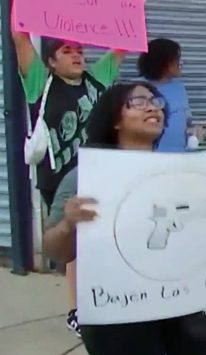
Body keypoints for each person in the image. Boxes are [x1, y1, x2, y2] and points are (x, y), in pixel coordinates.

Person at [41, 82, 206, 355]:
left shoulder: (183, 172)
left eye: (156, 100)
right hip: (120, 308)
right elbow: (56, 250)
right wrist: (69, 223)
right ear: (114, 119)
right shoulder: (85, 176)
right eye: (138, 101)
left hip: (182, 298)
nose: (153, 107)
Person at [11, 30, 125, 337]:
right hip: (60, 183)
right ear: (50, 61)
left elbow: (122, 42)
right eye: (66, 51)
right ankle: (78, 310)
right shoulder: (40, 82)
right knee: (76, 246)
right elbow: (20, 38)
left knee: (104, 243)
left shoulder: (96, 78)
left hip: (101, 175)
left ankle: (103, 301)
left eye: (79, 50)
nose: (77, 55)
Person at [138, 38, 202, 152]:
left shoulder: (179, 88)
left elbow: (187, 122)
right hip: (150, 160)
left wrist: (194, 133)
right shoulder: (139, 90)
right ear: (163, 62)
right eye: (176, 59)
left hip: (180, 159)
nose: (180, 63)